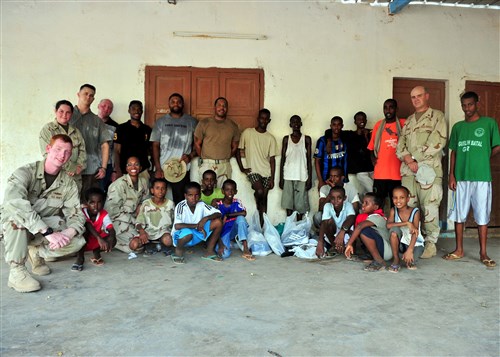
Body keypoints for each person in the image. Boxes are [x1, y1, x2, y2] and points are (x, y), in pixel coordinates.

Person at [1, 134, 86, 293]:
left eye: (67, 152)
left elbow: (76, 214)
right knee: (16, 218)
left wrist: (69, 232)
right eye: (58, 149)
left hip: (41, 227)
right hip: (15, 224)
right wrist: (47, 232)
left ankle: (37, 252)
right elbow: (14, 203)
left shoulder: (68, 183)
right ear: (48, 149)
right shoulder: (25, 172)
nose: (62, 155)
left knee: (78, 240)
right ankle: (16, 271)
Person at [443, 91, 500, 268]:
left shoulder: (489, 123)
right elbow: (454, 151)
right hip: (461, 178)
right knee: (459, 215)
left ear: (477, 104)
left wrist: (484, 156)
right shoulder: (458, 127)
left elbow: (497, 146)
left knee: (482, 216)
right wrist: (452, 175)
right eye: (464, 105)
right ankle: (459, 249)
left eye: (470, 104)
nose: (467, 108)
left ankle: (483, 253)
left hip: (482, 177)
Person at [396, 86, 447, 259]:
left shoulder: (437, 116)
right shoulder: (409, 120)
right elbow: (400, 144)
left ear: (427, 96)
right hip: (409, 172)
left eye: (419, 96)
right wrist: (408, 159)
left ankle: (430, 244)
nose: (416, 99)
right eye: (412, 97)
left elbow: (438, 141)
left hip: (428, 170)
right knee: (409, 207)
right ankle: (411, 241)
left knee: (430, 207)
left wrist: (414, 158)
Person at [151, 93, 198, 204]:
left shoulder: (192, 122)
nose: (176, 104)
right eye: (173, 101)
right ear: (169, 104)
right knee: (159, 199)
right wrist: (157, 168)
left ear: (182, 104)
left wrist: (190, 156)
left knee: (181, 201)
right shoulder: (161, 122)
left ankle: (179, 221)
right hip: (163, 168)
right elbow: (155, 146)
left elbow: (199, 145)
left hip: (182, 169)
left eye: (179, 102)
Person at [69, 84, 113, 200]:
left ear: (93, 99)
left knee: (90, 204)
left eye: (91, 95)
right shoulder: (67, 116)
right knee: (70, 203)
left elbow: (105, 145)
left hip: (91, 169)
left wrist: (103, 168)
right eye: (85, 94)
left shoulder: (97, 121)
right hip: (70, 169)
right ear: (78, 94)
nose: (88, 97)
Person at [237, 108, 278, 226]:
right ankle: (256, 196)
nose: (263, 121)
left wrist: (272, 178)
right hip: (253, 171)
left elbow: (272, 160)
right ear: (258, 118)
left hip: (266, 172)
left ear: (269, 121)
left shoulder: (271, 138)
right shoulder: (248, 133)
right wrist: (241, 168)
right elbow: (238, 151)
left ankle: (262, 225)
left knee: (264, 198)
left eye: (266, 119)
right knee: (259, 191)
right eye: (261, 118)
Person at [39, 100, 87, 193]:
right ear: (55, 111)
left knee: (73, 204)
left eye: (68, 112)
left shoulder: (76, 132)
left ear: (71, 114)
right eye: (61, 111)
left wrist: (78, 167)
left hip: (74, 177)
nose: (64, 115)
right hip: (55, 176)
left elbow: (82, 151)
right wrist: (70, 167)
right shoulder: (48, 130)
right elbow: (47, 153)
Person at [104, 156, 149, 253]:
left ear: (140, 168)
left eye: (136, 164)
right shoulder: (118, 185)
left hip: (136, 219)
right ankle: (114, 241)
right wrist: (135, 222)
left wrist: (140, 208)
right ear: (126, 168)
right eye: (130, 165)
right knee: (136, 245)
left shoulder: (143, 182)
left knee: (149, 234)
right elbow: (112, 211)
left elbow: (146, 201)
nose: (133, 167)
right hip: (119, 221)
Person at [170, 181, 223, 264]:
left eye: (196, 195)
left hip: (196, 233)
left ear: (200, 195)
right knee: (188, 233)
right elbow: (177, 226)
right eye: (190, 195)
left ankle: (209, 252)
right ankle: (178, 252)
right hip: (181, 236)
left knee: (218, 222)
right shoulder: (180, 206)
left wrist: (206, 218)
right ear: (185, 196)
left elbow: (218, 213)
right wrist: (198, 225)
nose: (194, 198)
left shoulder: (201, 204)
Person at [368, 99, 406, 210]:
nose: (388, 110)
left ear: (396, 109)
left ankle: (396, 225)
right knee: (378, 203)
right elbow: (371, 146)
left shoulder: (404, 124)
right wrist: (372, 158)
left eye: (391, 107)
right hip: (381, 173)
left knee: (397, 204)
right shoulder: (379, 125)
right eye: (385, 107)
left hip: (398, 173)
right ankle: (379, 225)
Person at [194, 97, 240, 187]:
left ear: (227, 109)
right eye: (219, 105)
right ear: (214, 107)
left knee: (224, 195)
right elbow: (197, 144)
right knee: (207, 194)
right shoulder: (204, 123)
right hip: (207, 165)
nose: (221, 108)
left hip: (224, 165)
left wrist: (224, 157)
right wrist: (205, 158)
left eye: (224, 106)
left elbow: (235, 146)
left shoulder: (233, 125)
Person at [344, 193, 392, 271]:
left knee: (364, 230)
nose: (363, 205)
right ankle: (371, 255)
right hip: (381, 248)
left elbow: (360, 227)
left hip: (386, 251)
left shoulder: (377, 217)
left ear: (375, 207)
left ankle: (380, 261)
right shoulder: (368, 217)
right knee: (361, 230)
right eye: (363, 202)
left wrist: (349, 244)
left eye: (367, 203)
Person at [72, 188, 116, 271]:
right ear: (86, 203)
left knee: (113, 238)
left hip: (95, 242)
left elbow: (110, 228)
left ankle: (96, 252)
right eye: (92, 202)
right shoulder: (81, 212)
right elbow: (87, 224)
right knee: (84, 231)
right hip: (83, 242)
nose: (96, 206)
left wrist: (111, 237)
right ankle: (80, 258)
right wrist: (99, 238)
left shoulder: (104, 213)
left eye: (99, 202)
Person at [279, 115, 312, 220]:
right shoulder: (286, 139)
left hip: (302, 176)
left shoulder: (306, 139)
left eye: (298, 122)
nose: (296, 124)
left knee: (300, 206)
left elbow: (309, 160)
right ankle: (289, 226)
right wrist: (281, 179)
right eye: (293, 122)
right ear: (290, 125)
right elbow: (283, 160)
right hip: (288, 176)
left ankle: (298, 227)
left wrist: (310, 178)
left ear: (301, 124)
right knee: (288, 205)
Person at [213, 179, 254, 261]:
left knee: (241, 219)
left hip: (234, 229)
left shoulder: (237, 202)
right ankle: (231, 242)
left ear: (236, 191)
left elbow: (244, 213)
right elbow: (215, 228)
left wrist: (227, 215)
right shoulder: (217, 205)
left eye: (232, 190)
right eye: (227, 190)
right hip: (223, 232)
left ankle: (245, 247)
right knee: (224, 254)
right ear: (222, 191)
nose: (230, 192)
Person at [386, 186, 424, 273]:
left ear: (408, 199)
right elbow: (388, 225)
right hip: (400, 243)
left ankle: (407, 256)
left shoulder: (415, 211)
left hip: (414, 243)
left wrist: (410, 250)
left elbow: (415, 232)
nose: (398, 201)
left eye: (402, 198)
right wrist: (407, 223)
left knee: (410, 261)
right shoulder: (393, 210)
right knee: (394, 231)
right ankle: (396, 259)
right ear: (392, 199)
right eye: (395, 198)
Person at [132, 178, 175, 254]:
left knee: (168, 241)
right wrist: (142, 232)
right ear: (152, 190)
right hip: (148, 233)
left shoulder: (170, 204)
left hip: (163, 232)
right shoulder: (146, 204)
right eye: (157, 188)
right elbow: (138, 222)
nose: (160, 191)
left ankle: (156, 245)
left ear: (166, 190)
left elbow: (174, 222)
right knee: (133, 245)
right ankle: (152, 245)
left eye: (163, 188)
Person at [114, 100, 152, 179]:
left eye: (139, 109)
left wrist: (151, 168)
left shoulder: (147, 129)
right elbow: (116, 150)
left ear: (142, 111)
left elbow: (150, 150)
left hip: (143, 169)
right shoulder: (121, 128)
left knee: (143, 191)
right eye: (133, 109)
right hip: (125, 170)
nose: (136, 111)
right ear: (129, 111)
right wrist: (117, 169)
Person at [315, 186, 356, 258]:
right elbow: (324, 223)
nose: (336, 201)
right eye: (332, 198)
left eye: (339, 198)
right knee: (329, 221)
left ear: (344, 198)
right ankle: (335, 246)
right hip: (333, 235)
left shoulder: (348, 205)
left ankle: (347, 245)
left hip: (346, 234)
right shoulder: (327, 206)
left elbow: (351, 218)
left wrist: (342, 232)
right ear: (329, 198)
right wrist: (320, 242)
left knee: (351, 224)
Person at [343, 111, 374, 196]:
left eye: (363, 119)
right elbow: (329, 132)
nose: (361, 121)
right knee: (373, 190)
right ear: (355, 122)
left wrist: (367, 137)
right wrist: (328, 141)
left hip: (371, 168)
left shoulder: (370, 133)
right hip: (359, 170)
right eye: (359, 119)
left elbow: (371, 148)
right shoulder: (350, 134)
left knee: (376, 187)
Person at [314, 116, 347, 190]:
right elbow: (317, 161)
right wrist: (320, 181)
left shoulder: (344, 139)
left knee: (339, 199)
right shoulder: (322, 141)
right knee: (325, 200)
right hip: (326, 178)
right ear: (330, 126)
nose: (336, 127)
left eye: (339, 124)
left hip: (340, 180)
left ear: (342, 126)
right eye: (334, 124)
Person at [97, 98, 119, 192]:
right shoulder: (90, 121)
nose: (106, 109)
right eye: (103, 106)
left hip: (108, 165)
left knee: (103, 192)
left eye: (109, 108)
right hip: (90, 164)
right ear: (98, 106)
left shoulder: (116, 127)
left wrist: (114, 170)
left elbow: (115, 149)